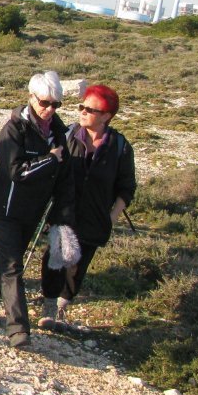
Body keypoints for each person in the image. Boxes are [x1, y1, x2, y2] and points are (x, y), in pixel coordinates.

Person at [0, 70, 76, 350]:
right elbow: (18, 171)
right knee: (13, 266)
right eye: (45, 102)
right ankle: (19, 329)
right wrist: (50, 160)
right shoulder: (14, 128)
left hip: (32, 210)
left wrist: (60, 215)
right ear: (31, 97)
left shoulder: (57, 131)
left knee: (7, 256)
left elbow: (64, 173)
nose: (50, 109)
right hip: (5, 207)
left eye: (56, 104)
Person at [39, 84, 136, 330]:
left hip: (95, 215)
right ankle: (49, 306)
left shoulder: (120, 147)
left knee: (78, 266)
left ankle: (62, 305)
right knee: (55, 258)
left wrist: (112, 216)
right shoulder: (68, 135)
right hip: (65, 211)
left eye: (90, 110)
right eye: (82, 107)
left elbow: (126, 187)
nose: (82, 112)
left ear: (106, 116)